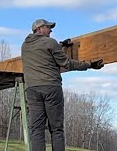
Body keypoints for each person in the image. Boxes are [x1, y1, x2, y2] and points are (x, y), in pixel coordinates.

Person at [21, 19, 104, 151]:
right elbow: (67, 63)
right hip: (50, 88)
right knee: (56, 129)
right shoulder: (50, 42)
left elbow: (43, 48)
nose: (51, 30)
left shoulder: (25, 45)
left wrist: (60, 45)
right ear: (39, 29)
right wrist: (89, 65)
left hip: (32, 90)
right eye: (48, 28)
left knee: (37, 129)